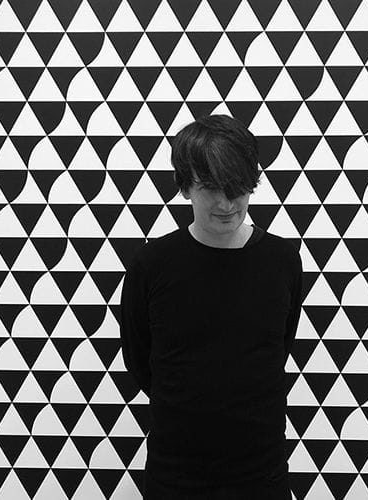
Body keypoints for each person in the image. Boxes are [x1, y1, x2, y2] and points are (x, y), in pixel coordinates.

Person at [119, 114, 303, 499]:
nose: (225, 203)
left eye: (236, 187)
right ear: (185, 186)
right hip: (175, 475)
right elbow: (140, 360)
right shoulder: (152, 265)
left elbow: (278, 348)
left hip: (262, 473)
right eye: (210, 187)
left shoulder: (282, 260)